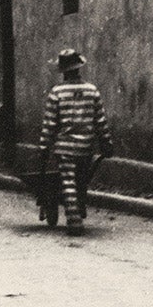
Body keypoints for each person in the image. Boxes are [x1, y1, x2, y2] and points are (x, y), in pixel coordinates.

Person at [39, 49, 114, 236]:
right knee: (81, 182)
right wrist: (106, 142)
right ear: (79, 67)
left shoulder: (57, 92)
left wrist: (44, 146)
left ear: (63, 71)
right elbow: (100, 120)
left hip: (64, 147)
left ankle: (74, 221)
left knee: (68, 183)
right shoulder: (92, 90)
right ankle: (79, 209)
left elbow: (49, 123)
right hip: (86, 147)